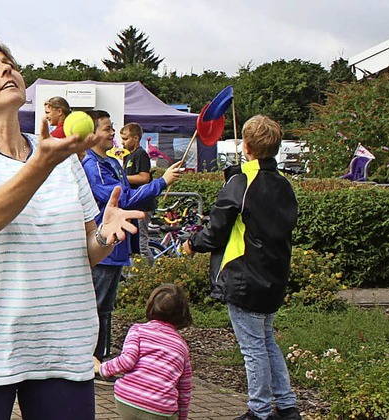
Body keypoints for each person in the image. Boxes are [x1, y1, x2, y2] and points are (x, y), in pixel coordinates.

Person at [0, 35, 144, 420]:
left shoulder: (61, 158)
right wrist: (42, 163)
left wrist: (103, 235)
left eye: (8, 63)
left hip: (62, 345)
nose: (6, 70)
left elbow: (85, 251)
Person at [183, 115, 300, 420]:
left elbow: (217, 227)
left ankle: (259, 411)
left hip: (244, 276)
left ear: (245, 147)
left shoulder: (241, 182)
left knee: (253, 349)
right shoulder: (284, 183)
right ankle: (287, 406)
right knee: (266, 341)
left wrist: (193, 243)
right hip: (274, 275)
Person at [82, 110, 182, 368]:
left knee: (105, 305)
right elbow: (122, 197)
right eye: (107, 129)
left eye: (112, 128)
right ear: (92, 134)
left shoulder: (113, 162)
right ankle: (92, 359)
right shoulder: (93, 166)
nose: (113, 133)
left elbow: (128, 192)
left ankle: (100, 356)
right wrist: (161, 183)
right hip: (104, 243)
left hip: (118, 243)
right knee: (98, 304)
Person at [96, 284, 193, 420]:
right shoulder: (182, 346)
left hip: (127, 400)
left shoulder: (138, 331)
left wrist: (101, 368)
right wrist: (182, 416)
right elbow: (185, 387)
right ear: (183, 313)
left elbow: (127, 361)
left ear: (151, 306)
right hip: (160, 408)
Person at [120, 123, 155, 266]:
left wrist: (122, 178)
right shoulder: (129, 156)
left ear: (136, 138)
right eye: (122, 139)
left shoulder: (140, 154)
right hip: (134, 205)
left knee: (141, 243)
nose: (123, 142)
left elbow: (144, 177)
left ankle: (151, 272)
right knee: (134, 244)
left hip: (142, 205)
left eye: (126, 139)